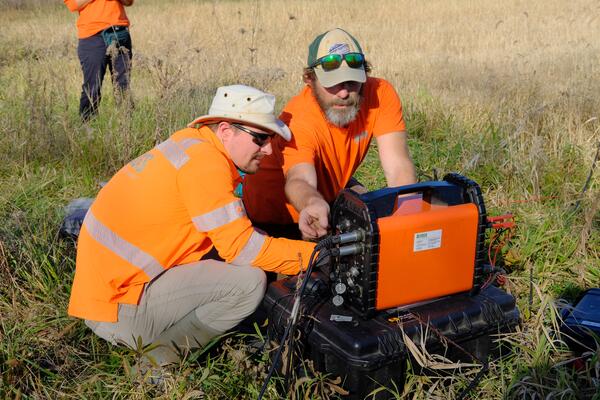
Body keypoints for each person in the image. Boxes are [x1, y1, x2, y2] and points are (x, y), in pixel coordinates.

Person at [68, 85, 316, 368]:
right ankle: (156, 364)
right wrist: (316, 257)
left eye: (269, 138)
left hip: (106, 292)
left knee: (239, 263)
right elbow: (242, 249)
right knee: (249, 284)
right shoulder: (206, 166)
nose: (268, 149)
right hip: (118, 308)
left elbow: (229, 235)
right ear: (225, 131)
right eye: (260, 138)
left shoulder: (194, 145)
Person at [243, 28, 417, 239]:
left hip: (329, 194)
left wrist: (410, 220)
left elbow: (398, 167)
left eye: (352, 82)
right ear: (310, 79)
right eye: (332, 84)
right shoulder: (299, 118)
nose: (343, 93)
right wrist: (312, 203)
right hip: (279, 217)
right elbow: (300, 180)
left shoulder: (380, 94)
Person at [64, 0, 134, 121]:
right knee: (92, 87)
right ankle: (88, 130)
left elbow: (128, 2)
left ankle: (127, 129)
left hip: (119, 33)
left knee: (123, 86)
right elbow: (73, 5)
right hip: (92, 36)